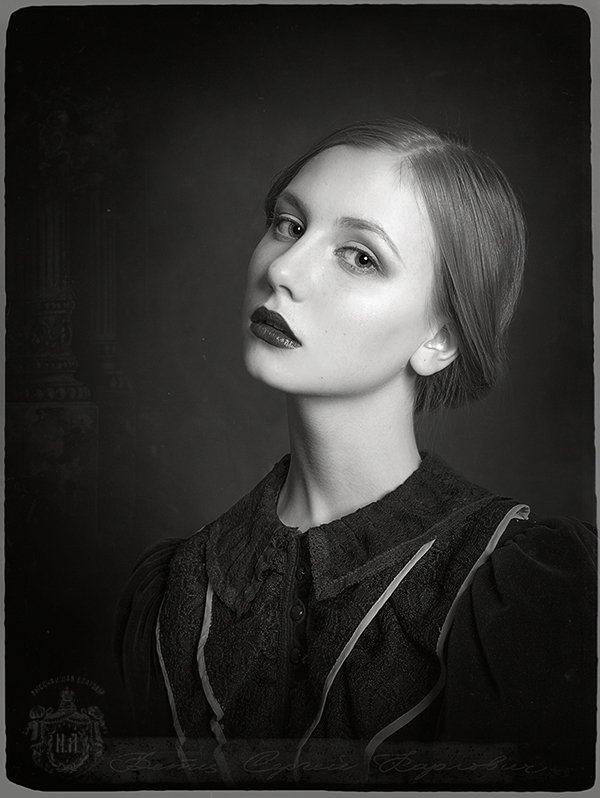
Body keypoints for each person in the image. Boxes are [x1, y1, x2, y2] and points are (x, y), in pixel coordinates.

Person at [115, 120, 596, 788]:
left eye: (361, 257)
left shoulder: (518, 585)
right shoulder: (173, 591)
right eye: (288, 225)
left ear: (440, 339)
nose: (282, 270)